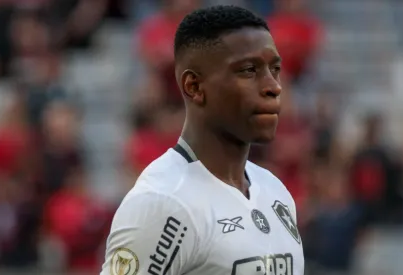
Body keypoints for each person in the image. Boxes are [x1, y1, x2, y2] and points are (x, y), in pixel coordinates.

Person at [100, 5, 304, 275]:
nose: (273, 86)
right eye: (248, 70)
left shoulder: (275, 192)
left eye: (275, 69)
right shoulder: (164, 203)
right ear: (194, 87)